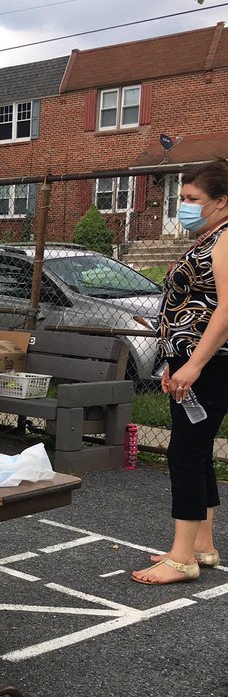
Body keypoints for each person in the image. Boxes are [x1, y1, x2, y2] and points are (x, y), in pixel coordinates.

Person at [132, 160, 228, 586]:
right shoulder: (205, 239)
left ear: (222, 202)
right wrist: (174, 361)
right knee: (197, 451)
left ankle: (181, 558)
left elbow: (225, 310)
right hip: (188, 364)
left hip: (210, 364)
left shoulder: (225, 240)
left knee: (185, 454)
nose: (185, 206)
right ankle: (202, 546)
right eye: (183, 198)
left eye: (193, 200)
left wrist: (194, 363)